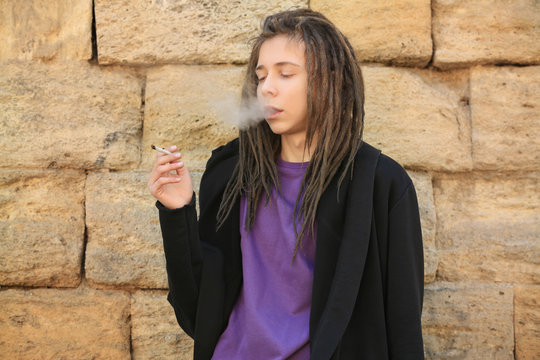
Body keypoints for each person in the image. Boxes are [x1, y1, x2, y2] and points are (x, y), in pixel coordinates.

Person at [148, 8, 424, 360]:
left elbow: (402, 327)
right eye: (261, 77)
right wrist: (177, 213)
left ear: (331, 79)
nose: (267, 88)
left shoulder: (381, 186)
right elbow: (197, 313)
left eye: (286, 74)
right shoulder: (230, 175)